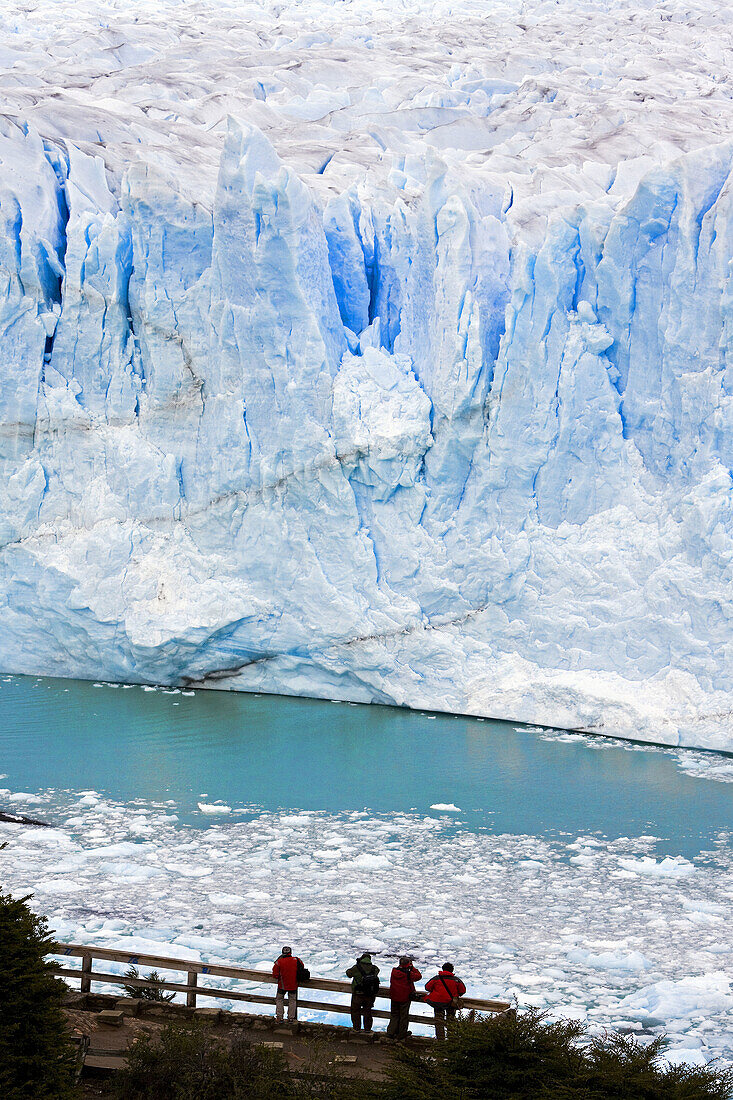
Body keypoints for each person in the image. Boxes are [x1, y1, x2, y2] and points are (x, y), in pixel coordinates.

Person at [424, 962, 466, 1040]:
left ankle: (440, 1041)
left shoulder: (436, 978)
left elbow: (427, 987)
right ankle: (451, 1040)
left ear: (443, 969)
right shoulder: (456, 980)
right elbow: (462, 990)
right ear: (452, 970)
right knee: (450, 1021)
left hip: (437, 1003)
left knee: (439, 1022)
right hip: (451, 1003)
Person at [386, 955, 421, 1040]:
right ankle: (401, 1034)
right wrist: (412, 967)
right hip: (404, 998)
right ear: (408, 964)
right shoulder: (408, 974)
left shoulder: (394, 971)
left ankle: (391, 1032)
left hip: (394, 996)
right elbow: (419, 976)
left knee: (394, 1015)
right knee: (403, 1016)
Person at [346, 952, 380, 1032]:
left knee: (355, 1011)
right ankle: (367, 1029)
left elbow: (349, 973)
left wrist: (357, 964)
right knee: (367, 1012)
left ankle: (356, 1028)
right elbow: (378, 971)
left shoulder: (356, 968)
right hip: (369, 995)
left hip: (358, 994)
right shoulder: (374, 968)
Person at [272, 946, 304, 1022]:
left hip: (282, 985)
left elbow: (275, 975)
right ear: (290, 952)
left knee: (279, 999)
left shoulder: (279, 962)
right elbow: (302, 967)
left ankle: (279, 1017)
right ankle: (291, 1018)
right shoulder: (297, 960)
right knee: (292, 1000)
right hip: (293, 985)